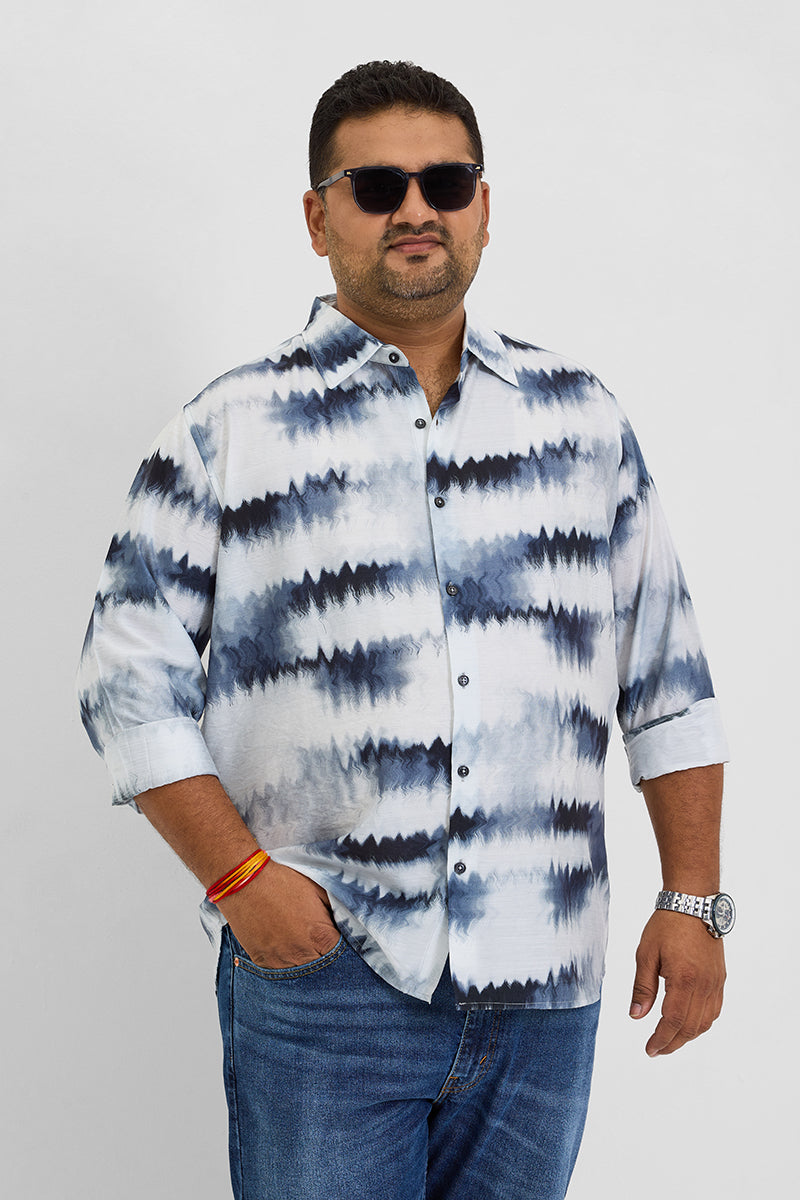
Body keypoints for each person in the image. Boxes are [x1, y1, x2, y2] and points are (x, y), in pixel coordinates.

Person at [78, 60, 732, 1200]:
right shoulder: (228, 430)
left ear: (484, 206)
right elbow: (125, 684)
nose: (415, 209)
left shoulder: (581, 422)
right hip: (326, 980)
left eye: (445, 182)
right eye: (377, 186)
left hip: (545, 987)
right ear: (317, 218)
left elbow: (666, 678)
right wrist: (244, 882)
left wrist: (692, 901)